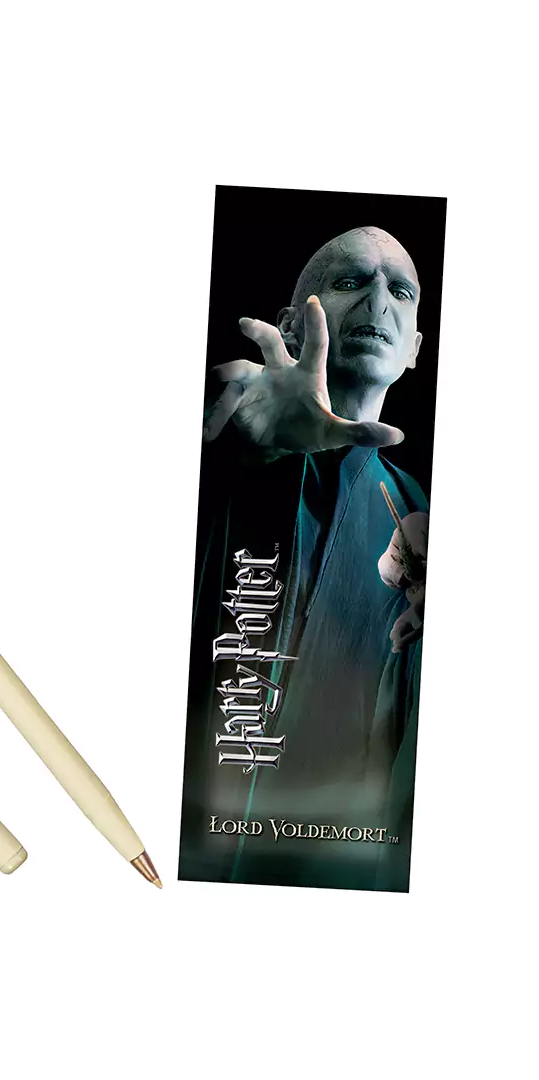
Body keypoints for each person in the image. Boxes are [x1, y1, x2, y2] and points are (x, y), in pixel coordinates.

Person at [178, 227, 429, 892]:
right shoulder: (213, 436)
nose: (378, 300)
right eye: (350, 281)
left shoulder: (425, 518)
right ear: (290, 325)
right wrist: (245, 450)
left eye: (400, 291)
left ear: (414, 349)